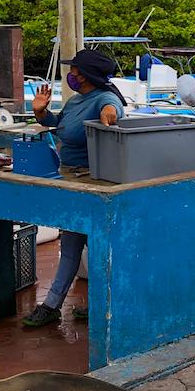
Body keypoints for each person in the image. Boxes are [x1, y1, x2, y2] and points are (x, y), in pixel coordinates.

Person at [22, 49, 126, 327]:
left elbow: (112, 109)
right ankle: (56, 304)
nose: (72, 76)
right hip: (70, 178)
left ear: (87, 74)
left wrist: (109, 115)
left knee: (95, 246)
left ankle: (102, 304)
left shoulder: (104, 98)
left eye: (76, 71)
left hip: (92, 182)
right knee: (71, 243)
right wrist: (41, 112)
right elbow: (59, 126)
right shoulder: (76, 100)